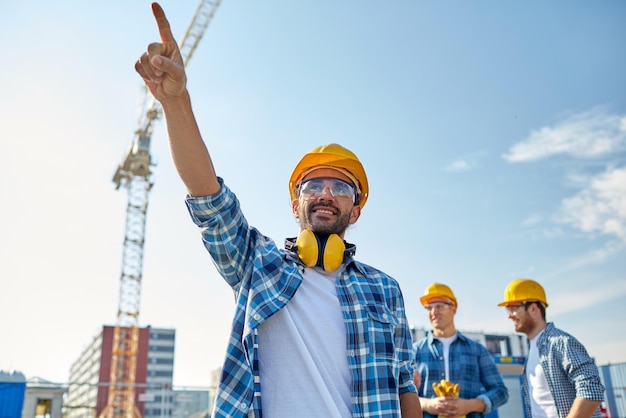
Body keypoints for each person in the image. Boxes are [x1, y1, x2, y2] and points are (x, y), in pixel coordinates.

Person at [134, 3, 421, 418]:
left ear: (355, 211)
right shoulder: (257, 264)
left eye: (341, 187)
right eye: (312, 185)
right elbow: (208, 198)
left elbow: (403, 383)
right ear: (295, 204)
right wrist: (176, 103)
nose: (325, 193)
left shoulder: (385, 289)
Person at [498, 278, 605, 418]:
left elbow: (592, 389)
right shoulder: (532, 350)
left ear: (533, 309)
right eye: (508, 309)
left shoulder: (561, 343)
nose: (509, 315)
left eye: (514, 308)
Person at [413, 283, 509, 418]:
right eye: (429, 307)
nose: (434, 312)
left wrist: (470, 405)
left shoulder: (477, 350)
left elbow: (501, 392)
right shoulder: (414, 352)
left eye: (439, 306)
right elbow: (401, 395)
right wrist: (429, 404)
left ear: (454, 308)